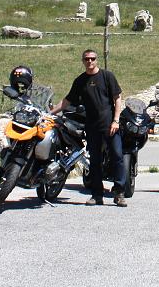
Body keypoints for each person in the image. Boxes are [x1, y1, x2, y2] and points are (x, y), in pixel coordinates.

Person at [52, 49, 127, 207]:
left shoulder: (107, 76)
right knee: (95, 162)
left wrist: (116, 120)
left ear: (96, 60)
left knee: (117, 157)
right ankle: (97, 195)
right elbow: (67, 101)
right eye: (87, 59)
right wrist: (50, 113)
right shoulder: (80, 81)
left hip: (110, 126)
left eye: (92, 58)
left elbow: (117, 99)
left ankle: (119, 192)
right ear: (83, 61)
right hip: (92, 127)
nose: (90, 61)